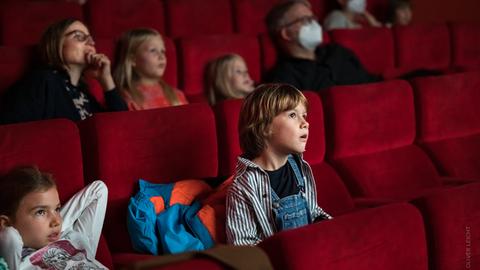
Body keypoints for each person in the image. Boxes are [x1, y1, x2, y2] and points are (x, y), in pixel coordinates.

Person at [226, 84, 332, 246]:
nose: (305, 123)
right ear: (264, 127)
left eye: (304, 115)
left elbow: (313, 211)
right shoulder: (244, 185)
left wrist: (331, 229)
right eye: (292, 115)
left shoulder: (300, 167)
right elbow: (242, 244)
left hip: (311, 250)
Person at [0, 18, 127, 124]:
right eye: (78, 36)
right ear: (57, 44)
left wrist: (107, 81)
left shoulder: (82, 92)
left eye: (90, 38)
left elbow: (122, 125)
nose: (90, 42)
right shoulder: (42, 80)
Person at [0, 166, 108, 269]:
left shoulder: (74, 239)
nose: (56, 221)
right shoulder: (13, 259)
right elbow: (9, 237)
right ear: (6, 223)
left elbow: (98, 189)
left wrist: (60, 226)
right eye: (40, 212)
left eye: (57, 209)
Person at [265, 0, 379, 92]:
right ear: (286, 33)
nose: (315, 24)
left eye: (313, 18)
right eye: (306, 20)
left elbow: (373, 83)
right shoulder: (284, 80)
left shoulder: (338, 51)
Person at [114, 28, 188, 110]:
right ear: (132, 59)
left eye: (163, 51)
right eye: (153, 50)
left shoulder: (176, 95)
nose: (161, 56)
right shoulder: (127, 97)